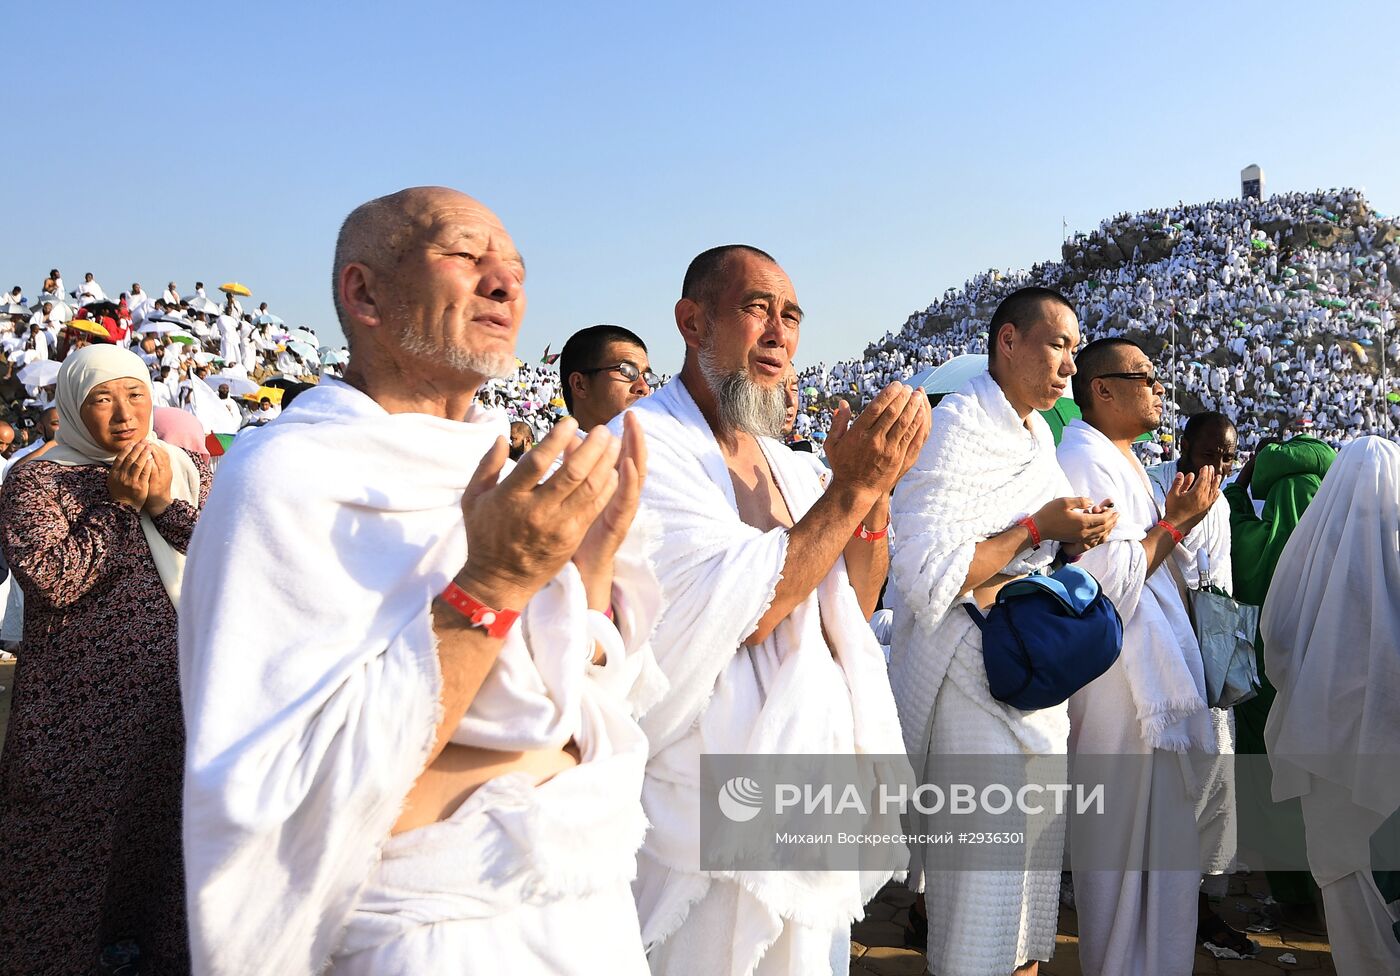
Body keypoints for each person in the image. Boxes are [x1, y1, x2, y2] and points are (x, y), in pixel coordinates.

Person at [180, 186, 657, 976]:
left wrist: (591, 565)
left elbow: (562, 701)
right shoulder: (287, 478)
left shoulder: (503, 466)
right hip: (431, 930)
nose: (504, 284)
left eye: (515, 269)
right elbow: (282, 792)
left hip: (583, 899)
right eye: (467, 256)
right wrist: (493, 584)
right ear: (364, 292)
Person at [614, 243, 929, 975]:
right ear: (692, 322)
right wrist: (848, 492)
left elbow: (858, 594)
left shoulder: (788, 462)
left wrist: (876, 493)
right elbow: (742, 611)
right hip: (702, 804)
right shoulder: (645, 446)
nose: (779, 335)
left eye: (791, 316)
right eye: (757, 309)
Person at [889, 287, 1117, 976]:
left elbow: (1032, 550)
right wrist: (1038, 528)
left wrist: (1071, 538)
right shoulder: (957, 426)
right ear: (1008, 342)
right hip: (970, 675)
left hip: (1032, 682)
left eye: (1074, 351)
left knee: (1030, 885)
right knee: (981, 884)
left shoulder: (1039, 435)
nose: (1068, 367)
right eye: (1057, 345)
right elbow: (929, 571)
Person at [0, 344, 209, 975]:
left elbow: (222, 562)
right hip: (74, 706)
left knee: (164, 846)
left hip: (172, 697)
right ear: (71, 405)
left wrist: (163, 505)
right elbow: (54, 580)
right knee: (64, 847)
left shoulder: (189, 467)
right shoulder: (37, 480)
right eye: (102, 398)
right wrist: (118, 507)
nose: (124, 415)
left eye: (136, 395)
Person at [1056, 337, 1221, 976]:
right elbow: (1106, 579)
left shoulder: (1123, 461)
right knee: (1119, 860)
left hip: (1153, 683)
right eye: (1143, 376)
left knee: (1163, 856)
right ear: (1101, 388)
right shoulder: (1081, 459)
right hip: (1118, 686)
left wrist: (1182, 522)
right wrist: (1175, 525)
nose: (1158, 387)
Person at [1261, 436, 1400, 975]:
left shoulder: (1307, 555)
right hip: (1389, 744)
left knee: (1346, 880)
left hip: (1321, 744)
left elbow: (1277, 642)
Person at [1148, 411, 1251, 955]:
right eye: (1210, 455)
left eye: (1228, 458)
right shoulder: (1153, 486)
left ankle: (1203, 905)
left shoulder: (1226, 504)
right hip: (1159, 656)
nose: (1219, 466)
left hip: (1207, 658)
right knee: (1161, 784)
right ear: (1184, 446)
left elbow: (1220, 580)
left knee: (1215, 781)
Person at [1226, 433, 1336, 931]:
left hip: (1267, 689)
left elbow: (1229, 515)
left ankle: (1292, 893)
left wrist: (1243, 480)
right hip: (1329, 691)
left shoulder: (1253, 539)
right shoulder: (1349, 540)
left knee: (1275, 784)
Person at [560, 324, 655, 431]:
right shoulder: (553, 448)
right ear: (580, 385)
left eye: (647, 376)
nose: (644, 387)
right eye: (627, 371)